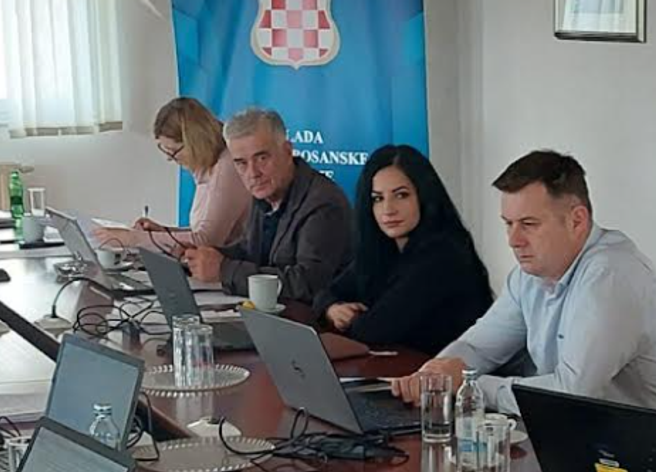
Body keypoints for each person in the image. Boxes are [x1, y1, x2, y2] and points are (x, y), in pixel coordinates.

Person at [391, 150, 656, 425]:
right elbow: (478, 347)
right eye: (508, 224)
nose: (514, 240)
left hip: (646, 452)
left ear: (577, 221)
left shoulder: (611, 275)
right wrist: (433, 375)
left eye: (528, 224)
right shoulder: (531, 274)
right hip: (576, 435)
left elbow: (572, 394)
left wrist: (470, 385)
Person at [315, 145, 493, 355]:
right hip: (406, 366)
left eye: (401, 195)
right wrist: (331, 309)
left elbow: (374, 330)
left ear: (424, 196)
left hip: (451, 372)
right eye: (378, 198)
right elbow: (326, 293)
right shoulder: (384, 248)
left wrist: (349, 319)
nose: (388, 209)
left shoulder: (445, 254)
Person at [182, 107, 353, 303]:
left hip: (314, 318)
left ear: (287, 151)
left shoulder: (323, 203)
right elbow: (250, 251)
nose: (253, 173)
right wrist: (201, 257)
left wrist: (224, 270)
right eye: (241, 163)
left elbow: (306, 285)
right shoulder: (266, 193)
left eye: (262, 158)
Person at [92, 98, 249, 255]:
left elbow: (206, 241)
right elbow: (203, 231)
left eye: (173, 151)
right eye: (165, 150)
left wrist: (133, 238)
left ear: (195, 142)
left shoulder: (227, 167)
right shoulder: (207, 167)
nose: (169, 158)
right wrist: (163, 232)